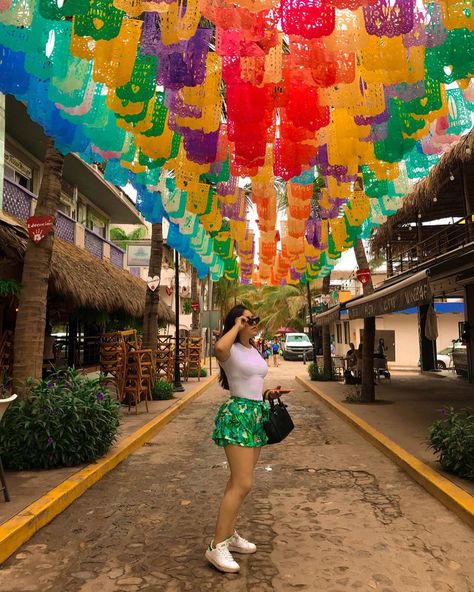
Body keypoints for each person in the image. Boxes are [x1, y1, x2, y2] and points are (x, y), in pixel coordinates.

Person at [206, 304, 283, 574]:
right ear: (236, 322)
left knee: (237, 481)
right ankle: (217, 546)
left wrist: (268, 395)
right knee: (243, 483)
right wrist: (236, 327)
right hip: (237, 415)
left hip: (255, 414)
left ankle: (229, 534)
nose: (253, 323)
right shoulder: (230, 350)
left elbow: (252, 384)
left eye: (254, 319)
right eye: (247, 320)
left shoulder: (252, 349)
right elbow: (218, 349)